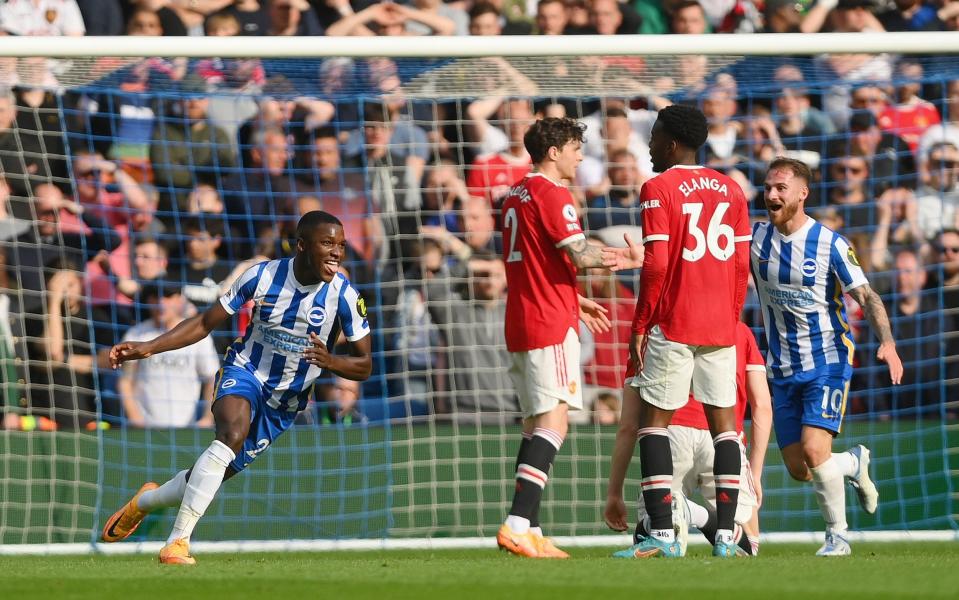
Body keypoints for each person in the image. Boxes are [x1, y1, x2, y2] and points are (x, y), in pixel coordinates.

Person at [100, 211, 372, 565]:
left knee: (210, 474)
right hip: (244, 370)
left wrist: (331, 361)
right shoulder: (261, 275)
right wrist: (148, 347)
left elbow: (364, 365)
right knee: (231, 433)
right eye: (327, 243)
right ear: (302, 246)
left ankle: (145, 502)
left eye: (340, 245)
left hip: (285, 402)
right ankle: (177, 544)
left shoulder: (346, 297)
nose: (336, 253)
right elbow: (203, 321)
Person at [602, 104, 751, 558]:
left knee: (654, 425)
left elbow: (658, 263)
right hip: (721, 324)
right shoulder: (732, 189)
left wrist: (643, 322)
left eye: (653, 138)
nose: (647, 146)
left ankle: (662, 534)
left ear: (670, 142)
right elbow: (742, 265)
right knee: (725, 428)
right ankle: (728, 535)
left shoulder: (658, 187)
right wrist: (731, 314)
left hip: (674, 321)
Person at [751, 157, 903, 556]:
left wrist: (886, 341)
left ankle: (838, 536)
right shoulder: (754, 239)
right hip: (781, 367)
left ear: (803, 193)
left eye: (781, 188)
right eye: (768, 187)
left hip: (829, 360)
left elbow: (867, 297)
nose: (771, 194)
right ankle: (853, 463)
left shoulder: (830, 243)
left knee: (816, 451)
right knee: (801, 469)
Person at [495, 117, 611, 559]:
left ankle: (532, 529)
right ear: (554, 151)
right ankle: (517, 523)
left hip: (524, 316)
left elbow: (536, 262)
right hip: (548, 322)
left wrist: (572, 298)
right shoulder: (553, 192)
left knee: (533, 425)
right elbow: (579, 253)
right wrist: (632, 257)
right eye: (576, 147)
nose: (581, 155)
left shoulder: (514, 194)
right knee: (554, 422)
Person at [605, 321, 772, 558]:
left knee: (654, 534)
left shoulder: (650, 331)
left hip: (666, 438)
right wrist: (754, 472)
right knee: (747, 549)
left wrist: (614, 493)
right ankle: (695, 515)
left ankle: (683, 512)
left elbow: (629, 426)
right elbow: (762, 406)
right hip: (722, 439)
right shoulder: (740, 330)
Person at [117, 285, 219, 428]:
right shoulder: (136, 334)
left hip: (187, 428)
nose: (161, 303)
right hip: (145, 429)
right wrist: (135, 418)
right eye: (155, 298)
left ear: (180, 300)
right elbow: (125, 380)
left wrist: (207, 418)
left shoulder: (196, 335)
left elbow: (212, 378)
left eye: (168, 297)